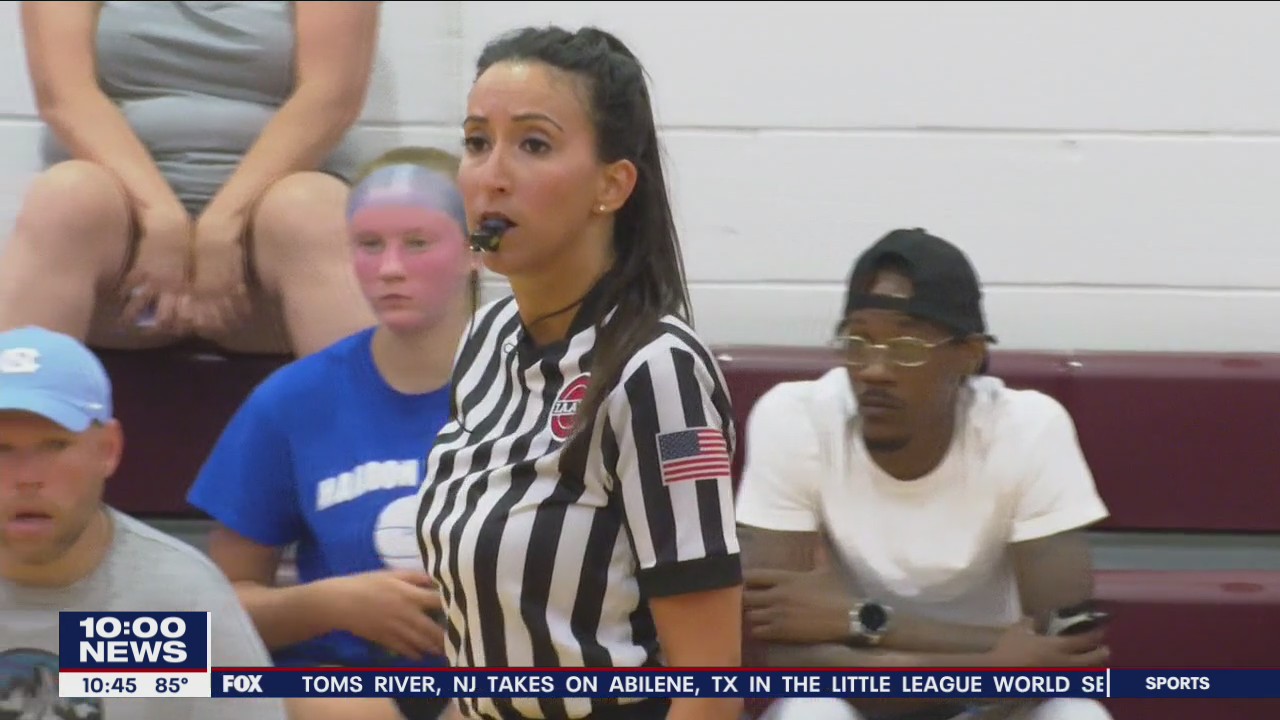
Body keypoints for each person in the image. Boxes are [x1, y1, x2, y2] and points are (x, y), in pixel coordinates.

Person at [414, 25, 743, 720]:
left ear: (611, 185)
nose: (492, 174)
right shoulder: (483, 340)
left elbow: (711, 683)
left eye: (533, 144)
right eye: (477, 142)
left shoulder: (660, 373)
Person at [735, 228, 1114, 720]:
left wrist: (858, 622)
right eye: (857, 342)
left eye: (906, 348)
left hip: (993, 705)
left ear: (969, 356)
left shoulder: (1028, 427)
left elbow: (1064, 654)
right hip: (864, 705)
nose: (873, 369)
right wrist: (987, 656)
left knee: (1077, 715)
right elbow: (783, 655)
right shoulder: (795, 417)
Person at [186, 147, 476, 720]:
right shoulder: (293, 401)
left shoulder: (547, 391)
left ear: (475, 251)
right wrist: (332, 604)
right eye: (369, 246)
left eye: (417, 243)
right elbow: (219, 614)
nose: (391, 267)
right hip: (348, 691)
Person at [0, 1, 381, 357]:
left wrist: (224, 223)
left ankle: (373, 425)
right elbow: (64, 96)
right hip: (125, 259)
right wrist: (159, 215)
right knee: (66, 197)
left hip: (263, 261)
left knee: (311, 209)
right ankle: (18, 419)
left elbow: (331, 97)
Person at [0, 325, 287, 720]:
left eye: (54, 445)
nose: (26, 477)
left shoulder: (177, 601)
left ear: (108, 450)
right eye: (1, 449)